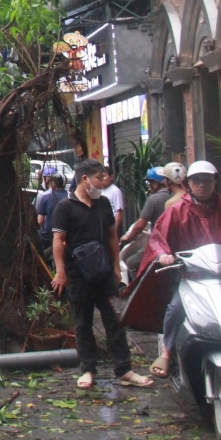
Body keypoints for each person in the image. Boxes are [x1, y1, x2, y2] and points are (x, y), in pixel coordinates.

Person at [139, 160, 221, 379]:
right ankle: (167, 351)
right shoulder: (177, 211)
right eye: (196, 180)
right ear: (189, 183)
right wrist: (164, 254)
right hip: (193, 278)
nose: (202, 185)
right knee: (175, 307)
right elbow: (158, 238)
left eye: (207, 180)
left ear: (215, 182)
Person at [51, 159, 153, 389]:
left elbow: (111, 237)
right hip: (78, 275)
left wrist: (116, 267)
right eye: (99, 178)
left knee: (114, 320)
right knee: (82, 322)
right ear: (85, 179)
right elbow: (58, 241)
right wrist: (61, 272)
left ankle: (124, 369)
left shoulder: (104, 203)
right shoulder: (65, 207)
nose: (104, 182)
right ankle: (87, 369)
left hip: (104, 272)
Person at [119, 167, 169, 276]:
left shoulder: (153, 199)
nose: (149, 185)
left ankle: (138, 291)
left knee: (131, 263)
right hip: (175, 245)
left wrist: (128, 237)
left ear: (156, 183)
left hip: (159, 245)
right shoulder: (178, 196)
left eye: (150, 182)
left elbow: (140, 224)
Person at [35, 174, 68, 251]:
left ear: (53, 183)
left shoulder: (46, 197)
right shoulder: (71, 197)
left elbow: (40, 221)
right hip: (68, 235)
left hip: (48, 235)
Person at [100, 167, 126, 233]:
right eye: (100, 176)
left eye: (104, 176)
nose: (102, 179)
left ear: (111, 177)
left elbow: (119, 212)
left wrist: (114, 231)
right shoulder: (99, 191)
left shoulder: (115, 191)